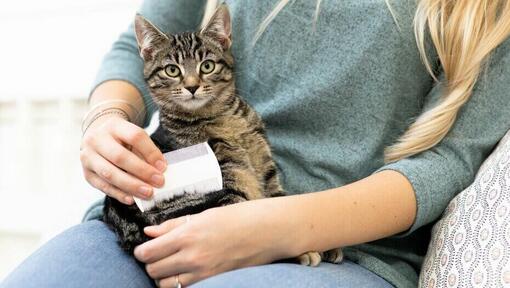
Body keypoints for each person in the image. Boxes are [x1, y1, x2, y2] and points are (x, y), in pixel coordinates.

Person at [3, 0, 510, 287]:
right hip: (167, 215)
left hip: (340, 251)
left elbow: (449, 160)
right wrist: (105, 118)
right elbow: (134, 46)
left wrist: (274, 226)